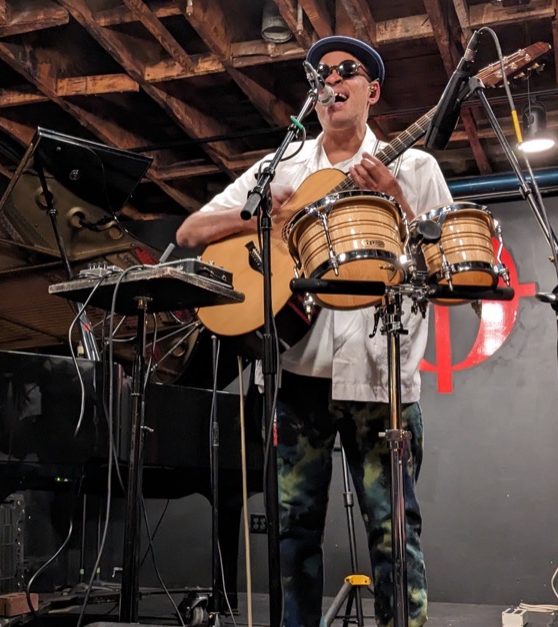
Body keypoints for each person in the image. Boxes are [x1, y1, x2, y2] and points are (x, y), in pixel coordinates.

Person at [175, 36, 453, 627]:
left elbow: (446, 273)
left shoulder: (415, 166)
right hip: (298, 375)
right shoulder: (283, 167)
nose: (331, 80)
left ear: (371, 91)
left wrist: (395, 200)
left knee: (393, 531)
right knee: (291, 530)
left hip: (383, 380)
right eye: (319, 73)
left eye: (345, 71)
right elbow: (190, 233)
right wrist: (259, 215)